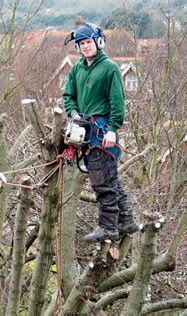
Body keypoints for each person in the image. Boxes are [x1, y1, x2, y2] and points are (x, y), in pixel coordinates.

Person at [63, 22, 139, 243]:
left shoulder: (110, 68)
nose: (85, 47)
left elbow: (118, 102)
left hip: (103, 131)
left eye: (88, 42)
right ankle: (126, 221)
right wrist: (74, 113)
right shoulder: (77, 69)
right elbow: (68, 96)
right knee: (110, 179)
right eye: (81, 43)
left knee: (101, 181)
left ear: (98, 42)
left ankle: (108, 228)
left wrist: (113, 129)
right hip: (84, 130)